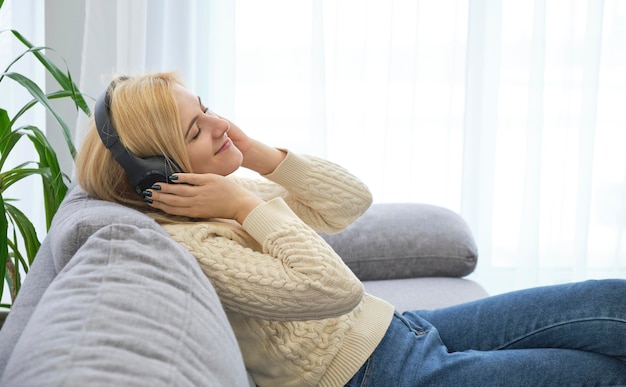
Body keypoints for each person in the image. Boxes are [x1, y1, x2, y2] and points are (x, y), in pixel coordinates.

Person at [76, 72, 626, 386]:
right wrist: (247, 207)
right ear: (159, 172)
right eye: (199, 130)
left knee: (611, 302)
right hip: (370, 375)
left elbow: (350, 202)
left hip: (398, 329)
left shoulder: (225, 194)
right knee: (601, 373)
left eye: (207, 108)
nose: (221, 125)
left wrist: (262, 157)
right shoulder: (198, 241)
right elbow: (332, 291)